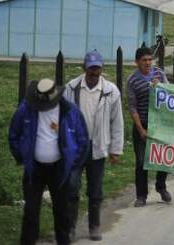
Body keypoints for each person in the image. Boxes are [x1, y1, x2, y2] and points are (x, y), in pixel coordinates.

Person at [9, 78, 89, 245]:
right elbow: (14, 135)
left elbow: (82, 139)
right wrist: (22, 156)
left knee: (62, 212)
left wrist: (73, 163)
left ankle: (63, 241)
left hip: (59, 169)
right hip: (34, 169)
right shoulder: (26, 109)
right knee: (30, 212)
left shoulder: (70, 111)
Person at [63, 50, 123, 241]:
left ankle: (94, 226)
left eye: (97, 69)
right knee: (72, 188)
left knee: (95, 189)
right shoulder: (71, 88)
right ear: (84, 69)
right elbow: (62, 118)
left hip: (97, 146)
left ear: (102, 69)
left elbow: (117, 122)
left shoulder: (111, 91)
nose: (94, 73)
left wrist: (115, 149)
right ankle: (70, 227)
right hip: (75, 148)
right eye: (91, 69)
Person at [127, 46, 171, 206]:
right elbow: (132, 107)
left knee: (164, 157)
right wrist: (141, 129)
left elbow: (170, 93)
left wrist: (160, 86)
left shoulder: (159, 73)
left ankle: (161, 186)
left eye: (149, 59)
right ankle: (141, 196)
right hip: (142, 123)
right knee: (141, 162)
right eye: (144, 60)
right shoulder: (132, 81)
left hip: (160, 124)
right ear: (137, 62)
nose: (147, 63)